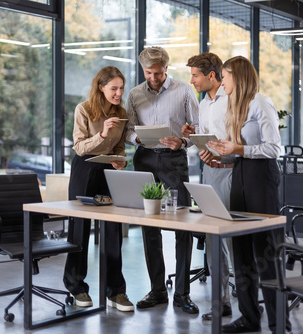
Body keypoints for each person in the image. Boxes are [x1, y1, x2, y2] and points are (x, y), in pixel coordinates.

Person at [207, 56, 292, 334]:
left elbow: (273, 149)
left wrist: (238, 150)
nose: (222, 81)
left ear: (238, 76)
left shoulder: (261, 103)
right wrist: (222, 155)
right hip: (240, 174)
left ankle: (280, 321)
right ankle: (249, 317)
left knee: (266, 251)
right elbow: (239, 151)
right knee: (241, 249)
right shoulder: (235, 105)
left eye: (225, 75)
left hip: (262, 179)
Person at [125, 46, 200, 314]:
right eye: (148, 73)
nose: (153, 78)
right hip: (145, 159)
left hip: (173, 160)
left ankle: (182, 292)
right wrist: (137, 139)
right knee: (149, 226)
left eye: (158, 73)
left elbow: (197, 128)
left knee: (183, 225)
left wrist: (182, 140)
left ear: (166, 68)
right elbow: (128, 129)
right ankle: (157, 290)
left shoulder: (184, 91)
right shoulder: (134, 94)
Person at [63, 66, 134, 312]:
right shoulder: (83, 109)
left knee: (112, 230)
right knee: (79, 229)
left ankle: (115, 290)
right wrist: (103, 133)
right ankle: (76, 286)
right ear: (101, 87)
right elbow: (80, 147)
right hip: (84, 169)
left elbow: (120, 147)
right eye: (113, 88)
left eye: (121, 88)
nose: (118, 93)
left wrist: (119, 159)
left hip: (107, 172)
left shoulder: (122, 112)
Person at [182, 52, 234, 321]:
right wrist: (191, 136)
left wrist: (220, 154)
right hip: (209, 174)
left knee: (235, 242)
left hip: (231, 174)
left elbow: (238, 142)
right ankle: (221, 301)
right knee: (214, 240)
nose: (192, 80)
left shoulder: (232, 100)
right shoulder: (203, 104)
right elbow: (204, 140)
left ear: (211, 75)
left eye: (195, 75)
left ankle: (248, 302)